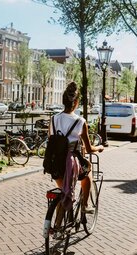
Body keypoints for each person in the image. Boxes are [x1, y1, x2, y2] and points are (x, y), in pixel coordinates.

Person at [49, 82, 104, 214]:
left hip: (54, 163)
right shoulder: (80, 122)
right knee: (88, 171)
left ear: (63, 101)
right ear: (77, 102)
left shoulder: (53, 119)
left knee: (63, 192)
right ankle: (85, 206)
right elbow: (89, 148)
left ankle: (56, 226)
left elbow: (51, 139)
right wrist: (99, 147)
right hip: (70, 163)